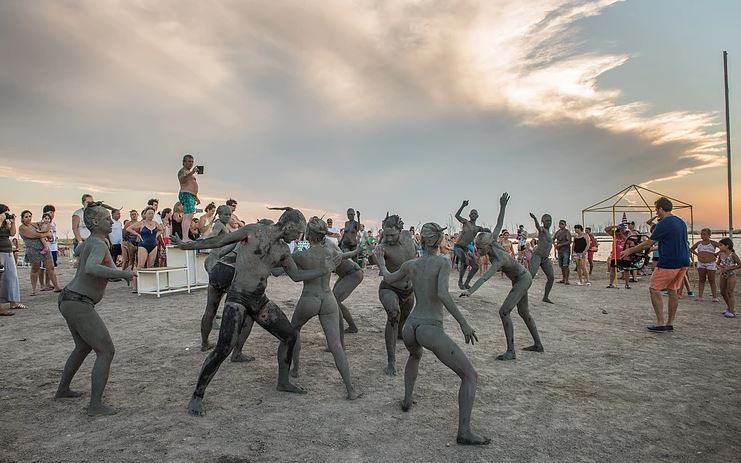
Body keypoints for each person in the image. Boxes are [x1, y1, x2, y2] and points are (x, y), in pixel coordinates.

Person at [172, 207, 341, 416]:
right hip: (238, 298)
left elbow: (296, 275)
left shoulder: (284, 249)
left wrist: (325, 269)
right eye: (298, 232)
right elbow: (217, 242)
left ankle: (283, 381)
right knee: (223, 348)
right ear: (288, 226)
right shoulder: (253, 231)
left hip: (259, 301)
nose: (299, 236)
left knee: (289, 336)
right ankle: (197, 396)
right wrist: (186, 246)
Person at [374, 223, 489, 446]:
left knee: (414, 356)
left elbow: (388, 278)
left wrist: (380, 262)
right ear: (439, 240)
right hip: (429, 326)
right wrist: (464, 324)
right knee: (469, 376)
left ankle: (407, 400)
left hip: (410, 327)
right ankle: (464, 431)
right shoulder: (441, 263)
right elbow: (443, 295)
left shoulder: (411, 264)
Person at [55, 202, 135, 416]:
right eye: (107, 218)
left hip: (70, 300)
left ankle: (63, 390)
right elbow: (91, 268)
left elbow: (86, 254)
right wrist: (124, 274)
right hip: (79, 302)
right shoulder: (99, 244)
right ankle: (95, 406)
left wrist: (119, 273)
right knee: (106, 350)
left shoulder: (94, 241)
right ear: (94, 222)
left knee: (82, 348)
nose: (111, 221)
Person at [462, 193, 543, 362]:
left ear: (487, 246)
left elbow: (485, 277)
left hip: (523, 279)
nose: (479, 250)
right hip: (520, 278)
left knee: (504, 311)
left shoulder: (499, 259)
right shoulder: (492, 240)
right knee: (523, 312)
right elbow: (499, 223)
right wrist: (503, 206)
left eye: (480, 248)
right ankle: (538, 344)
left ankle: (511, 351)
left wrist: (470, 292)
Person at [289, 217, 361, 399]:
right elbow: (342, 257)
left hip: (310, 297)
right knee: (336, 345)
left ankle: (295, 368)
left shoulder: (303, 248)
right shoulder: (329, 247)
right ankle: (350, 389)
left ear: (308, 233)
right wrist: (357, 251)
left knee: (294, 330)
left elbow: (292, 260)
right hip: (327, 297)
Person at [622, 197, 689, 332]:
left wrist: (630, 250)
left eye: (656, 210)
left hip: (669, 262)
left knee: (654, 288)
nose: (656, 213)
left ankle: (660, 323)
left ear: (660, 209)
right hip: (683, 261)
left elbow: (648, 243)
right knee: (672, 290)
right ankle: (670, 322)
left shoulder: (663, 224)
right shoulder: (680, 222)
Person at [376, 213, 417, 376]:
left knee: (403, 322)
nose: (389, 238)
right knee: (394, 315)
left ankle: (399, 335)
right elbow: (374, 259)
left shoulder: (408, 236)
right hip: (389, 288)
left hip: (409, 290)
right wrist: (379, 245)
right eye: (385, 235)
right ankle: (391, 361)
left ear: (400, 230)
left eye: (392, 235)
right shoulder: (383, 247)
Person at [19, 210, 60, 295]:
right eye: (26, 217)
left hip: (44, 247)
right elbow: (35, 235)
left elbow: (45, 224)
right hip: (33, 249)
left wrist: (48, 232)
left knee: (50, 267)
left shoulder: (34, 224)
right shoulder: (22, 228)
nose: (28, 218)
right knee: (35, 269)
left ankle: (57, 287)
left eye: (30, 216)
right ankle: (34, 290)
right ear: (22, 218)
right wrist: (47, 234)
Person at [453, 200, 490, 289]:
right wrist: (462, 206)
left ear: (477, 216)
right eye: (472, 214)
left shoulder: (478, 228)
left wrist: (490, 233)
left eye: (475, 214)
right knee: (465, 261)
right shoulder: (466, 222)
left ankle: (466, 283)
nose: (473, 215)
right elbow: (457, 216)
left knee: (475, 266)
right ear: (469, 215)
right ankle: (460, 281)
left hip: (465, 249)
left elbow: (487, 231)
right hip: (458, 247)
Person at [125, 207, 161, 291]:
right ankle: (135, 286)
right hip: (143, 245)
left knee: (150, 266)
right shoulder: (142, 223)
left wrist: (156, 236)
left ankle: (148, 285)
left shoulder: (155, 223)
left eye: (152, 213)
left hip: (153, 245)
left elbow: (161, 229)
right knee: (140, 266)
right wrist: (137, 234)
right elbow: (128, 228)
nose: (151, 215)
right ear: (145, 214)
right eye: (149, 213)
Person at [0, 205, 25, 314]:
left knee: (12, 276)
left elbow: (12, 233)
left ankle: (13, 302)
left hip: (8, 251)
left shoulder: (6, 223)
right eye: (5, 213)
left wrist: (13, 222)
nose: (7, 215)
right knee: (1, 278)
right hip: (0, 252)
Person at [528, 212, 555, 303]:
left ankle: (545, 297)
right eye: (547, 221)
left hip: (545, 258)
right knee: (530, 276)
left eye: (550, 221)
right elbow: (538, 228)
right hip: (537, 255)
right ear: (542, 222)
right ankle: (520, 293)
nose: (549, 222)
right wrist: (535, 219)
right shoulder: (542, 230)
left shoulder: (549, 233)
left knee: (551, 277)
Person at [689, 228, 719, 302]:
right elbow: (691, 249)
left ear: (709, 235)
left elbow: (723, 248)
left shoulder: (713, 243)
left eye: (704, 234)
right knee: (701, 279)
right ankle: (700, 296)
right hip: (701, 263)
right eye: (701, 234)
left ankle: (714, 297)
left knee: (711, 280)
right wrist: (697, 254)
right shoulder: (699, 243)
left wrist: (716, 254)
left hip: (711, 263)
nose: (702, 236)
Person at [177, 154, 201, 242]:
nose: (191, 163)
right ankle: (185, 237)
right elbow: (182, 180)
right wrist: (192, 173)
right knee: (187, 215)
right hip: (186, 194)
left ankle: (185, 236)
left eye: (192, 162)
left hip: (191, 195)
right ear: (184, 162)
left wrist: (196, 197)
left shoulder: (189, 173)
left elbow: (191, 185)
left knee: (190, 215)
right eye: (189, 161)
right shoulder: (182, 171)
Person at [716, 238, 739, 318]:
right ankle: (729, 307)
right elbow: (718, 263)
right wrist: (719, 267)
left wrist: (730, 268)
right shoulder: (720, 254)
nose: (719, 247)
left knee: (730, 292)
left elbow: (739, 264)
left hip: (731, 275)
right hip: (723, 275)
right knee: (723, 292)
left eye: (721, 245)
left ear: (727, 246)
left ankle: (732, 311)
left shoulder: (733, 255)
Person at [553, 220, 572, 285]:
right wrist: (554, 245)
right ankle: (563, 279)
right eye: (560, 224)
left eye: (562, 224)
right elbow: (553, 238)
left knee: (565, 265)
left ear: (565, 225)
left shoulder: (567, 232)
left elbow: (569, 241)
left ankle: (567, 279)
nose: (561, 225)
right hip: (559, 250)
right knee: (561, 265)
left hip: (565, 250)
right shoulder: (557, 232)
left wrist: (561, 244)